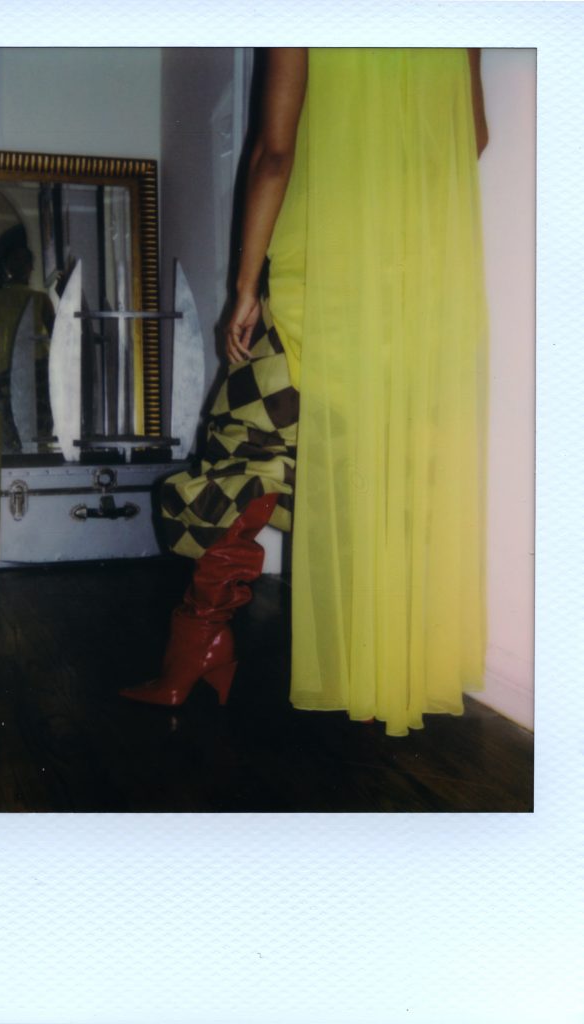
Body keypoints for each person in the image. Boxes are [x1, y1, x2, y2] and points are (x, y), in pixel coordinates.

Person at [121, 48, 490, 737]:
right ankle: (376, 677)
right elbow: (470, 138)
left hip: (317, 282)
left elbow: (272, 154)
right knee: (366, 477)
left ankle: (194, 652)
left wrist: (244, 286)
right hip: (402, 293)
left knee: (236, 455)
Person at [0, 245, 55, 453]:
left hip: (36, 374)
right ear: (6, 267)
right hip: (5, 375)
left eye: (24, 261)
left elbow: (58, 341)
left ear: (30, 267)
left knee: (34, 437)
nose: (20, 266)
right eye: (16, 261)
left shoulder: (41, 299)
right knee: (11, 437)